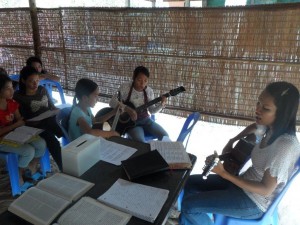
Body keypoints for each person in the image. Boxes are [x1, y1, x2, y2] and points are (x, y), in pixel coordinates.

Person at [179, 81, 300, 225]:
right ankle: (193, 219)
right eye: (258, 103)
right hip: (242, 184)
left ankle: (195, 216)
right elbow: (254, 127)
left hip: (254, 201)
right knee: (190, 183)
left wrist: (224, 174)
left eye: (265, 108)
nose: (257, 110)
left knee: (189, 205)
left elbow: (266, 189)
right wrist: (233, 140)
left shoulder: (284, 146)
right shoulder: (269, 128)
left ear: (282, 114)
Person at [0, 74, 46, 191]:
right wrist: (16, 125)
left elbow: (20, 120)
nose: (12, 91)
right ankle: (18, 178)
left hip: (13, 134)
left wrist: (26, 130)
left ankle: (32, 167)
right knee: (28, 151)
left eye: (12, 87)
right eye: (8, 88)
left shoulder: (11, 103)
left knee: (41, 144)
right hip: (2, 140)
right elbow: (16, 124)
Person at [13, 66, 63, 171]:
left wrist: (56, 111)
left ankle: (77, 156)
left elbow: (52, 107)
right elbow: (21, 120)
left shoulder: (42, 90)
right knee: (52, 140)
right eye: (31, 81)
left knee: (62, 126)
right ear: (23, 80)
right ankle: (64, 168)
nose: (35, 84)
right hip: (34, 127)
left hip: (49, 121)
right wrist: (36, 120)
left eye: (37, 80)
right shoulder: (18, 97)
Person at [109, 66, 169, 142]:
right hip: (132, 124)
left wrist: (161, 104)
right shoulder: (125, 87)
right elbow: (112, 102)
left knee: (165, 137)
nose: (142, 84)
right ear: (134, 77)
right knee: (140, 142)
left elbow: (152, 111)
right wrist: (127, 109)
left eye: (145, 81)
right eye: (139, 80)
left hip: (146, 121)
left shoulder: (149, 91)